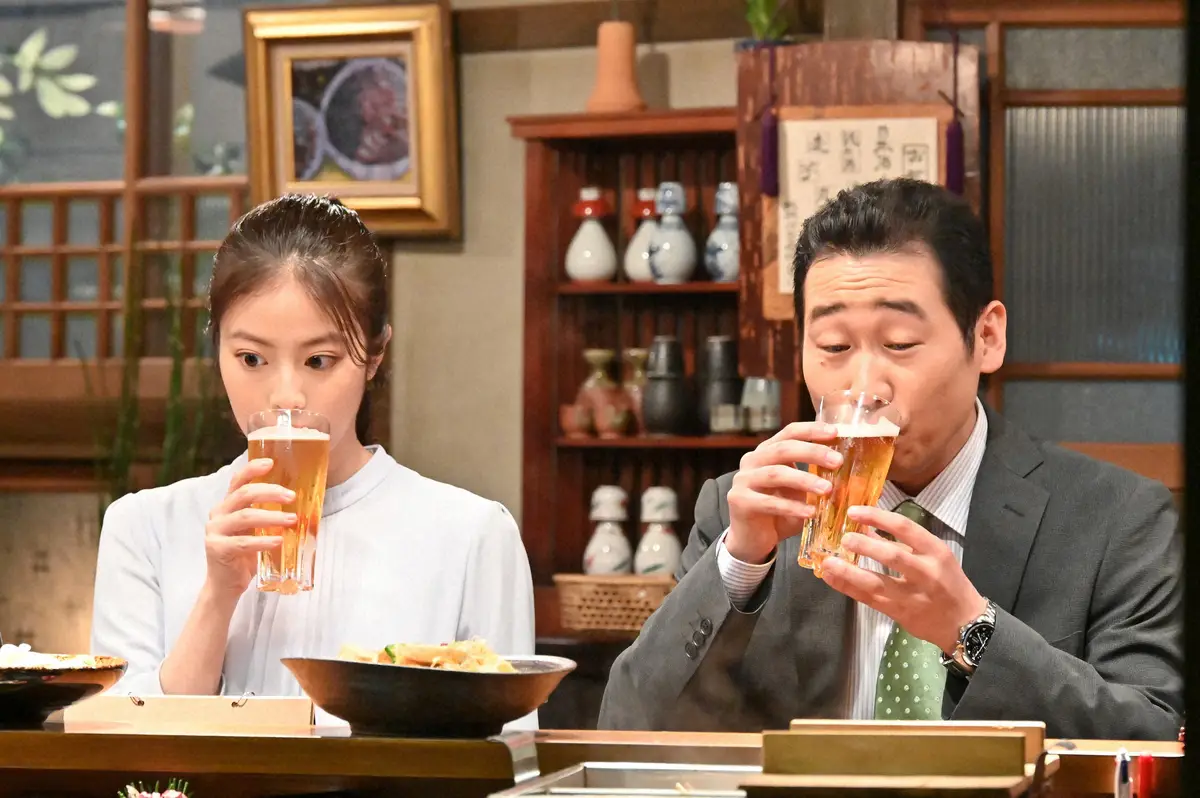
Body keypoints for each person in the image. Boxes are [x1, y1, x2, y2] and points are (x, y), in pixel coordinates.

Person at [597, 178, 1182, 740]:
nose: (865, 385)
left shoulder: (1117, 519)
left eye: (899, 343)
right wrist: (739, 564)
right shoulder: (747, 511)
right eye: (833, 346)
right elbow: (627, 728)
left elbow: (1153, 736)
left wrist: (972, 630)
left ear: (986, 337)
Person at [90, 194, 536, 726]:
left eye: (319, 360)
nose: (286, 395)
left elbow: (508, 753)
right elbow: (121, 743)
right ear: (217, 348)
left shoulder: (471, 536)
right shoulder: (144, 527)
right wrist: (218, 596)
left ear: (375, 355)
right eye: (251, 358)